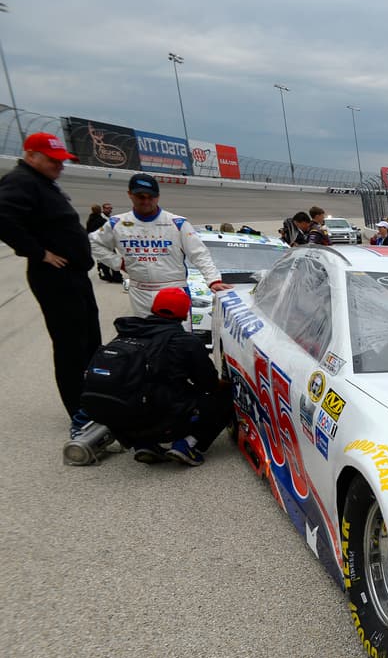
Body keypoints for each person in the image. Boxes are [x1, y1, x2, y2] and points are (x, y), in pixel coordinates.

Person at [0, 132, 103, 434]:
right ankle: (80, 412)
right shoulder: (21, 181)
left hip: (74, 276)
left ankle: (96, 398)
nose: (60, 166)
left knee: (90, 341)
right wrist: (39, 252)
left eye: (62, 161)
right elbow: (2, 217)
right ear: (31, 156)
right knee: (71, 346)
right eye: (53, 160)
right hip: (55, 278)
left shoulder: (43, 183)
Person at [82, 287, 231, 466]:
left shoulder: (126, 333)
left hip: (124, 418)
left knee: (150, 390)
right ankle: (188, 444)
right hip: (166, 420)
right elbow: (209, 384)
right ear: (184, 314)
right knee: (224, 396)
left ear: (153, 308)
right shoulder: (186, 342)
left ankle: (144, 444)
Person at [90, 173, 229, 317]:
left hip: (173, 290)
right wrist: (117, 262)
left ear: (158, 196)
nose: (146, 201)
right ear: (130, 194)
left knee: (176, 338)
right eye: (141, 197)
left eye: (151, 197)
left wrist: (213, 280)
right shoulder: (116, 223)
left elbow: (199, 254)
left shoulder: (177, 223)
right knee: (145, 337)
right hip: (140, 292)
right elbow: (93, 242)